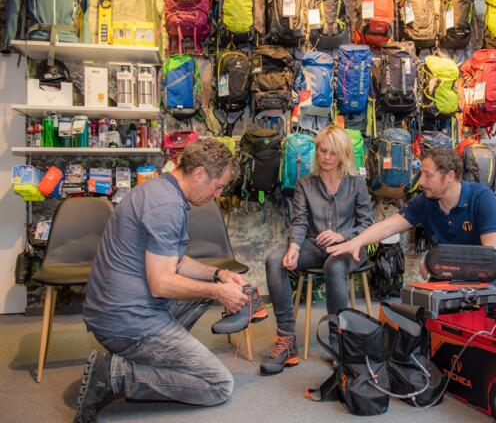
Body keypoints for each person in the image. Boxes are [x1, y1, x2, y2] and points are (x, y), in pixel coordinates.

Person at [76, 139, 252, 423]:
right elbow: (162, 284)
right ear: (199, 174)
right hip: (127, 322)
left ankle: (157, 357)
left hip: (119, 309)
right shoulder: (167, 206)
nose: (218, 195)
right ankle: (116, 374)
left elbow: (176, 261)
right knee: (219, 385)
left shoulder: (161, 190)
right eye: (218, 186)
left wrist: (218, 275)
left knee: (207, 292)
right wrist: (219, 292)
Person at [260, 125, 374, 375]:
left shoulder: (356, 183)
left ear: (343, 154)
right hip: (315, 244)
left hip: (350, 247)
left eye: (333, 153)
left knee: (334, 266)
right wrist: (293, 247)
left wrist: (342, 236)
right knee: (275, 260)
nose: (327, 157)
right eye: (323, 151)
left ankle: (338, 341)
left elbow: (367, 224)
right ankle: (286, 340)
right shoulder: (305, 183)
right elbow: (299, 221)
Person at [328, 147, 496, 285]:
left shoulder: (481, 197)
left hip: (484, 282)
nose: (420, 182)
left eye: (428, 176)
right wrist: (356, 242)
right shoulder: (425, 201)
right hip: (446, 278)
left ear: (450, 176)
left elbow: (492, 258)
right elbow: (387, 227)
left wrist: (436, 258)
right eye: (421, 174)